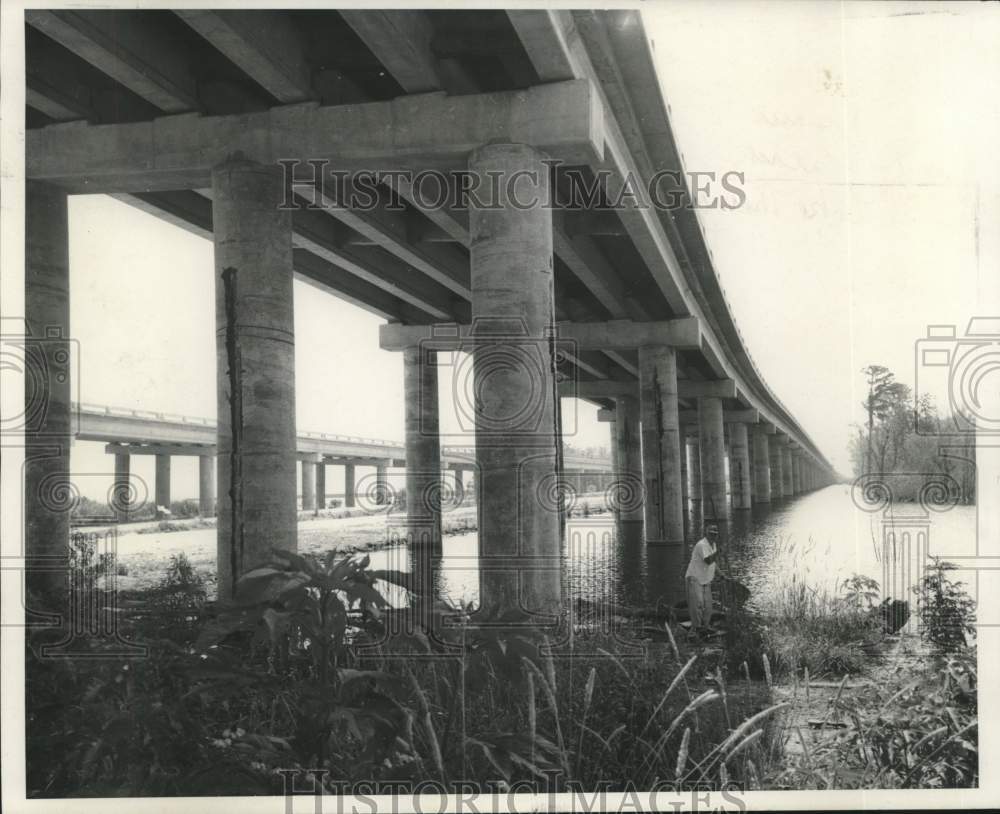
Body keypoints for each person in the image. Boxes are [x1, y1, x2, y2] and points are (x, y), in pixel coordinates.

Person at [685, 523, 719, 635]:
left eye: (715, 534)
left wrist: (721, 574)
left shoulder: (713, 545)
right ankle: (696, 628)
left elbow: (713, 563)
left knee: (708, 605)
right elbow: (708, 560)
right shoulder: (702, 545)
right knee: (697, 604)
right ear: (706, 533)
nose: (713, 536)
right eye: (711, 533)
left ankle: (705, 627)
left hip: (705, 579)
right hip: (694, 577)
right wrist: (719, 553)